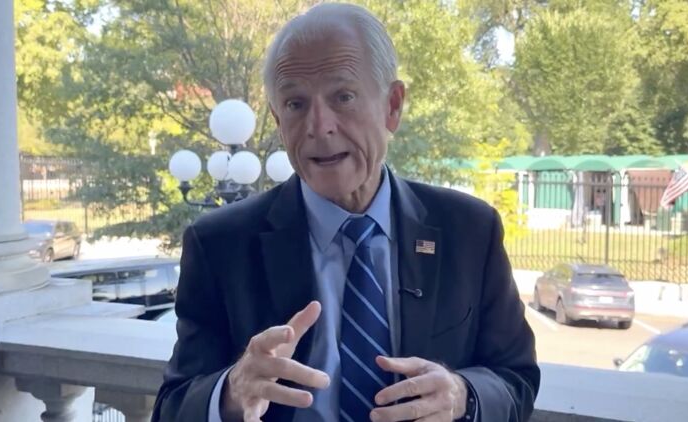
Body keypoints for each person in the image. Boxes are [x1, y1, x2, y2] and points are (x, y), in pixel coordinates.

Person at [152, 3, 539, 422]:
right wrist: (231, 391)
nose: (319, 126)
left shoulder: (469, 231)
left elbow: (515, 378)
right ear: (278, 120)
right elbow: (172, 406)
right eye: (296, 104)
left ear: (392, 106)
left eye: (343, 97)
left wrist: (463, 396)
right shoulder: (219, 244)